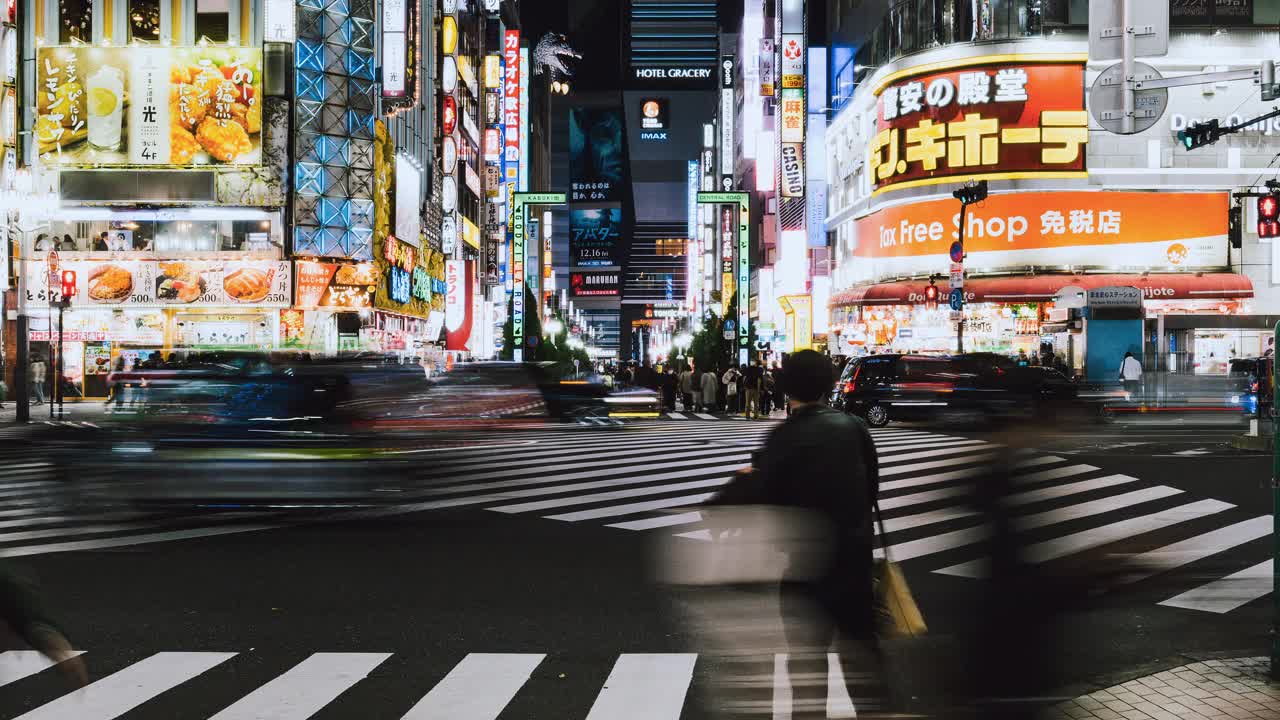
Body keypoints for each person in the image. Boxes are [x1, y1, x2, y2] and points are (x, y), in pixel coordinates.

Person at [749, 350, 886, 718]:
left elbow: (768, 499)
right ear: (829, 384)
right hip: (854, 562)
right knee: (862, 656)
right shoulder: (854, 427)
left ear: (785, 385)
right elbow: (871, 488)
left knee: (806, 663)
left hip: (804, 567)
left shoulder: (783, 437)